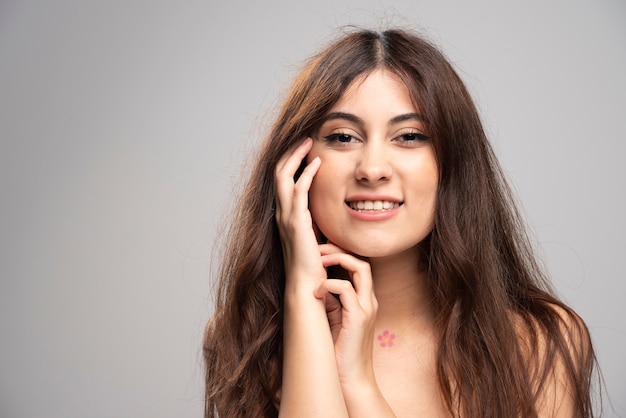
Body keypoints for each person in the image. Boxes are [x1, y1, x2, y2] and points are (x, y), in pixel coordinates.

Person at [203, 28, 599, 417]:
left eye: (409, 136)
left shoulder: (540, 341)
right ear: (296, 163)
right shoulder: (242, 339)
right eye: (343, 137)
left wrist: (357, 384)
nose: (373, 169)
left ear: (453, 164)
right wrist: (304, 300)